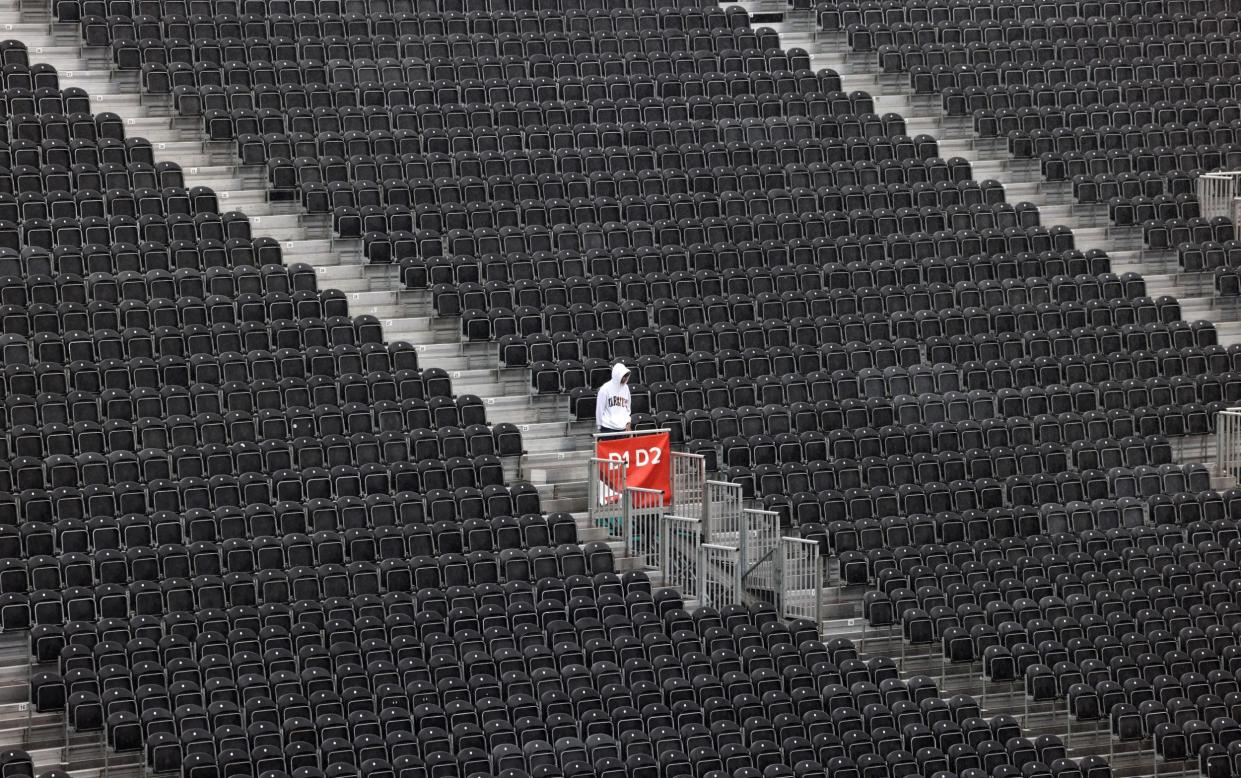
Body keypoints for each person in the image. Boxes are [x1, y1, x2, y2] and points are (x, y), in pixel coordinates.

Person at [595, 362, 632, 433]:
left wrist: (628, 422)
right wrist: (599, 426)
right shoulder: (605, 389)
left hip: (623, 427)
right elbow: (600, 409)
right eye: (624, 376)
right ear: (617, 375)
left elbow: (628, 408)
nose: (626, 378)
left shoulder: (626, 388)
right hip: (608, 427)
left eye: (627, 375)